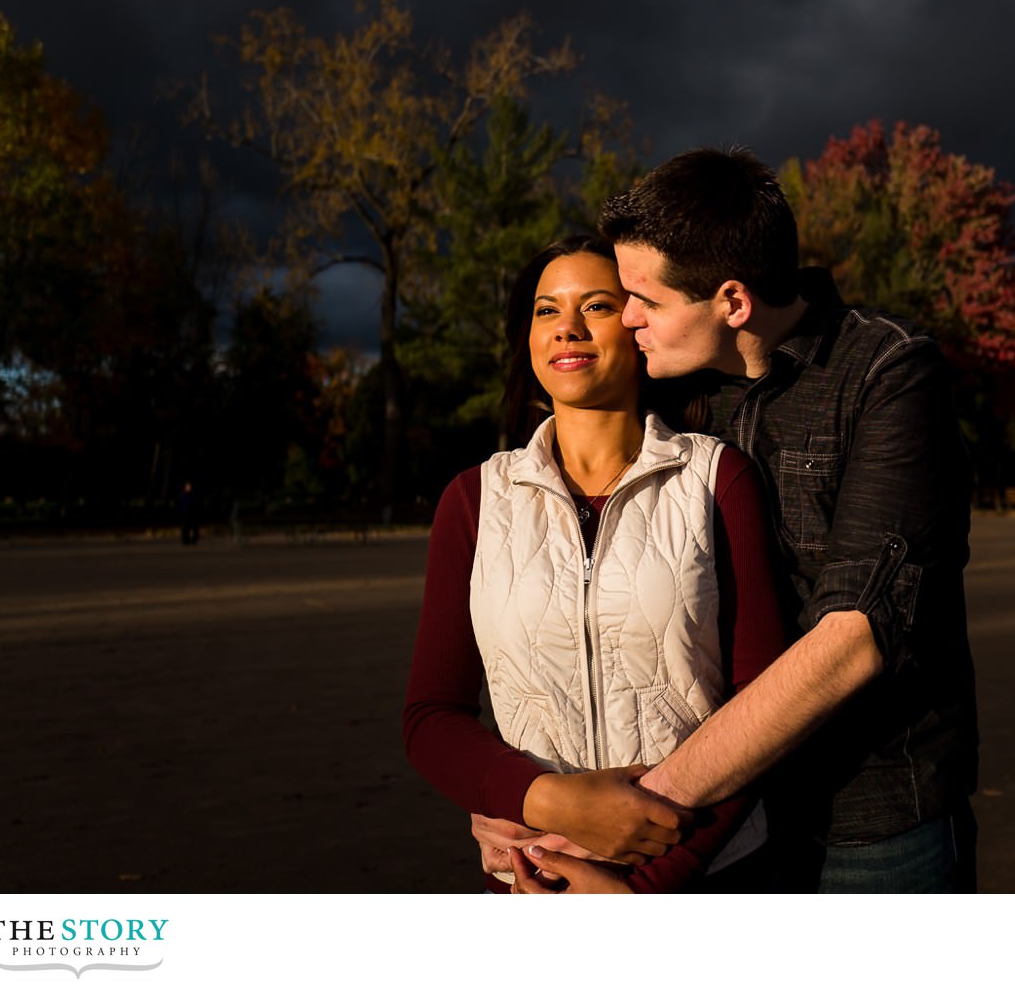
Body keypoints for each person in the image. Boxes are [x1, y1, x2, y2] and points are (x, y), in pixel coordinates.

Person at [481, 148, 980, 893]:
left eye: (643, 299)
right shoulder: (681, 385)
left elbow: (853, 640)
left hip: (866, 812)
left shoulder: (887, 373)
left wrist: (634, 816)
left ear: (733, 302)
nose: (627, 316)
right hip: (730, 830)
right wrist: (517, 797)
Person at [403, 234, 786, 893]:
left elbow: (762, 710)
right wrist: (546, 800)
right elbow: (432, 715)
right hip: (536, 889)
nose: (568, 328)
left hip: (708, 879)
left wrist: (643, 887)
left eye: (598, 306)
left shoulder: (718, 479)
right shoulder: (474, 500)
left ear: (638, 325)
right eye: (546, 310)